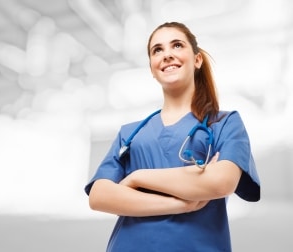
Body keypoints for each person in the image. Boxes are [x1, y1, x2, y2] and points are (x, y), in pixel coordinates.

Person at [84, 21, 260, 252]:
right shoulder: (130, 133)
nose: (167, 55)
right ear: (151, 68)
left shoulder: (225, 123)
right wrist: (182, 204)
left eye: (177, 45)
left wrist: (137, 178)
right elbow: (99, 196)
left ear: (197, 60)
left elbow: (220, 182)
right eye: (157, 50)